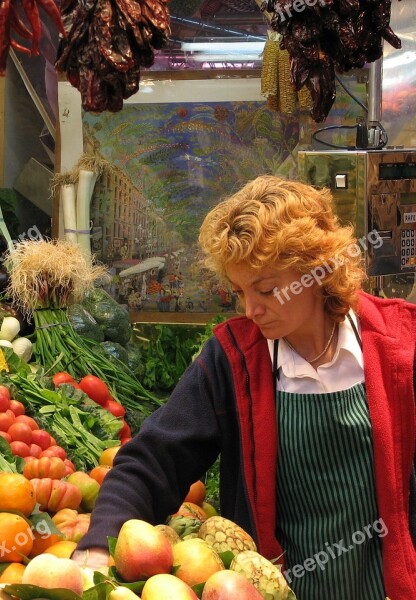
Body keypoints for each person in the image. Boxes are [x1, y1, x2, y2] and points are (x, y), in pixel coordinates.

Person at [72, 175, 416, 599]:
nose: (251, 309)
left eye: (267, 289)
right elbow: (154, 461)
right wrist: (96, 544)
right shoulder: (233, 359)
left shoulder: (399, 346)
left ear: (316, 269)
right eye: (239, 291)